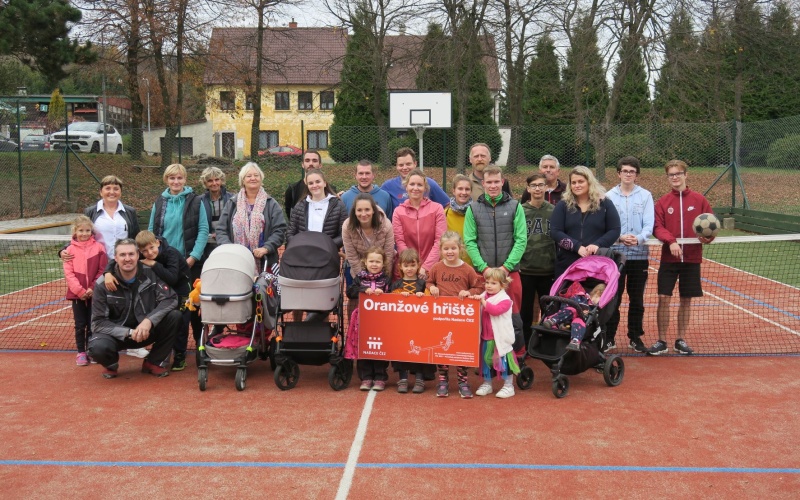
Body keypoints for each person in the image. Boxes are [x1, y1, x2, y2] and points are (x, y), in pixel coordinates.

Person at [88, 238, 182, 379]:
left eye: (131, 254)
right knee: (97, 347)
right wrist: (129, 332)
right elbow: (98, 323)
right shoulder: (102, 284)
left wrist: (148, 321)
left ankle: (154, 362)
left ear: (138, 255)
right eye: (122, 255)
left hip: (146, 331)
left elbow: (171, 298)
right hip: (117, 336)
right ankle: (111, 364)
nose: (127, 259)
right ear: (115, 258)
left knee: (175, 316)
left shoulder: (151, 274)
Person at [649, 160, 715, 355]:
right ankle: (661, 340)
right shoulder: (662, 202)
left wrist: (708, 238)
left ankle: (681, 340)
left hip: (692, 259)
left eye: (678, 173)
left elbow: (710, 225)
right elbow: (657, 227)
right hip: (669, 259)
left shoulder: (700, 200)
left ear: (686, 175)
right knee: (663, 298)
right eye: (671, 175)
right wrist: (671, 241)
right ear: (668, 177)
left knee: (686, 300)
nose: (675, 177)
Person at [148, 163, 208, 371]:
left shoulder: (195, 201)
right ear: (166, 180)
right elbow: (151, 232)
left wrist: (193, 257)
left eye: (179, 178)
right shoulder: (159, 201)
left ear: (185, 180)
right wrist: (153, 256)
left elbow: (202, 229)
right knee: (169, 309)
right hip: (165, 266)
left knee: (194, 309)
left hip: (189, 264)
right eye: (172, 178)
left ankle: (201, 349)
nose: (176, 181)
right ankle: (174, 351)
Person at [464, 165, 527, 358]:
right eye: (489, 182)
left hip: (510, 274)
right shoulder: (473, 209)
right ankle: (486, 360)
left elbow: (521, 239)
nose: (493, 186)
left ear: (502, 182)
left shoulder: (515, 206)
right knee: (483, 317)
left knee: (513, 316)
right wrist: (484, 269)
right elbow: (469, 241)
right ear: (483, 184)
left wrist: (506, 268)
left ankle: (517, 356)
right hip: (483, 275)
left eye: (496, 182)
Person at [605, 156, 654, 353]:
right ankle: (609, 338)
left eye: (632, 171)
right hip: (615, 258)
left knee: (637, 300)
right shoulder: (608, 196)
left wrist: (639, 238)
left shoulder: (646, 196)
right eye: (624, 171)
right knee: (612, 299)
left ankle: (635, 337)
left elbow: (649, 224)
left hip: (638, 257)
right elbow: (606, 225)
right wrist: (619, 238)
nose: (628, 174)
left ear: (636, 175)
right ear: (619, 173)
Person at [426, 231, 483, 399]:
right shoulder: (436, 267)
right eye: (446, 249)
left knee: (461, 349)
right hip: (441, 317)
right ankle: (443, 381)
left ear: (460, 249)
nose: (449, 252)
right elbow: (429, 281)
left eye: (453, 248)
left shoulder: (467, 269)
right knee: (442, 348)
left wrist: (468, 292)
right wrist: (432, 287)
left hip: (462, 318)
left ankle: (463, 381)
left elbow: (479, 287)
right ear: (441, 250)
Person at [551, 166, 621, 278]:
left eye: (581, 181)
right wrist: (576, 247)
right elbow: (555, 231)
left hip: (597, 265)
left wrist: (597, 244)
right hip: (567, 264)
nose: (577, 185)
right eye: (573, 182)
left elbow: (615, 230)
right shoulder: (563, 205)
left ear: (589, 182)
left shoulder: (605, 203)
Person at [217, 162, 287, 273]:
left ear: (261, 178)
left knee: (262, 290)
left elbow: (280, 230)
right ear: (243, 180)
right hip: (236, 261)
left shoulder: (271, 203)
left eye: (256, 175)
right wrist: (230, 249)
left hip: (265, 262)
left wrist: (267, 248)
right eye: (248, 176)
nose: (253, 178)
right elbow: (221, 229)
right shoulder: (232, 203)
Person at [63, 216, 108, 366]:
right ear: (75, 231)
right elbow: (69, 274)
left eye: (87, 230)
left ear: (92, 231)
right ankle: (81, 352)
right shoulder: (69, 250)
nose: (84, 233)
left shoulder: (99, 248)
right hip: (77, 295)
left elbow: (102, 270)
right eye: (81, 230)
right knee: (80, 324)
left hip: (94, 293)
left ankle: (91, 350)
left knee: (92, 323)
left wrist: (92, 288)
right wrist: (80, 291)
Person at [61, 175, 140, 260]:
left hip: (124, 262)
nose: (112, 192)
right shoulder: (90, 212)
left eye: (116, 189)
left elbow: (136, 237)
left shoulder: (130, 212)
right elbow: (80, 234)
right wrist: (64, 249)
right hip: (98, 262)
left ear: (120, 192)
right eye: (108, 188)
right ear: (101, 192)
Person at [342, 193, 395, 316]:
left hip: (381, 266)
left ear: (373, 210)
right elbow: (351, 255)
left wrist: (382, 277)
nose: (363, 214)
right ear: (354, 212)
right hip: (358, 268)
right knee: (354, 299)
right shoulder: (347, 226)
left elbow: (388, 254)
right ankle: (353, 327)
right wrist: (363, 279)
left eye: (367, 209)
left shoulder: (386, 225)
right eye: (359, 210)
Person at [345, 247, 391, 391]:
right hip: (362, 320)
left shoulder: (386, 279)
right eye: (371, 261)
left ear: (383, 264)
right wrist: (363, 290)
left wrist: (383, 293)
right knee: (364, 346)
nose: (374, 264)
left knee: (379, 347)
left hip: (381, 321)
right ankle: (366, 377)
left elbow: (392, 296)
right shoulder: (360, 277)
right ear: (365, 262)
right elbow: (350, 292)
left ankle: (380, 377)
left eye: (378, 261)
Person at [519, 172, 556, 346]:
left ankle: (548, 345)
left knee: (549, 311)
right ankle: (526, 346)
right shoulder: (520, 211)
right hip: (525, 270)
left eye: (541, 185)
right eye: (534, 185)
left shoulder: (553, 211)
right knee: (525, 312)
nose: (537, 189)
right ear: (528, 188)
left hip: (548, 270)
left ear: (546, 188)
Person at [471, 268, 519, 399]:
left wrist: (482, 302)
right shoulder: (483, 296)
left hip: (500, 338)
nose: (489, 286)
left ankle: (509, 386)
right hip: (486, 337)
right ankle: (487, 384)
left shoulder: (505, 300)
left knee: (504, 362)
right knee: (486, 362)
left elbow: (495, 310)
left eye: (493, 283)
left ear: (502, 285)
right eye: (487, 282)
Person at [392, 169, 447, 280]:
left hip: (432, 270)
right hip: (407, 270)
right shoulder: (398, 211)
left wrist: (426, 267)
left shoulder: (437, 209)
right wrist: (412, 266)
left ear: (425, 188)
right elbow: (399, 242)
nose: (415, 188)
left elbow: (439, 241)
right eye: (412, 184)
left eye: (419, 185)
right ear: (406, 187)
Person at [390, 248, 431, 393]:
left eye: (412, 265)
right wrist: (401, 295)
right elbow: (391, 301)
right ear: (400, 266)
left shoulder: (422, 284)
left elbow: (430, 300)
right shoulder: (396, 284)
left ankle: (420, 378)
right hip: (402, 326)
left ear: (418, 265)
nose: (409, 269)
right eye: (406, 266)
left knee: (419, 349)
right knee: (401, 350)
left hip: (420, 325)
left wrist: (422, 295)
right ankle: (403, 378)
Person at [287, 168, 348, 249]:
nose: (314, 185)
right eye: (311, 183)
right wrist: (300, 245)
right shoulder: (299, 206)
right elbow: (290, 233)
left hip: (328, 254)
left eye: (318, 182)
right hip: (303, 254)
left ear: (325, 183)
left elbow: (344, 234)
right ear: (307, 185)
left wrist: (327, 245)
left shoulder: (338, 205)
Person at [542, 281, 606, 351]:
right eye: (598, 296)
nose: (598, 301)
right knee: (572, 309)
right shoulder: (583, 297)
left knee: (579, 321)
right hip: (567, 315)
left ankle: (575, 341)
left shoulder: (595, 308)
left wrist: (586, 312)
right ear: (597, 292)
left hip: (580, 318)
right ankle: (553, 320)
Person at [381, 147, 450, 211]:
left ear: (415, 163)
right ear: (396, 166)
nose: (404, 168)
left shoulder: (429, 183)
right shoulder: (388, 186)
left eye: (408, 164)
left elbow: (447, 205)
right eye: (401, 165)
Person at [284, 150, 336, 220]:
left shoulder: (330, 189)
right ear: (302, 164)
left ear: (320, 165)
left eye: (314, 161)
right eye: (307, 160)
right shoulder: (292, 190)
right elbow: (290, 216)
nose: (311, 163)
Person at [444, 174, 474, 267]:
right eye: (460, 189)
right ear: (454, 191)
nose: (464, 192)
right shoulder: (445, 213)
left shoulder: (476, 212)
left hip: (471, 264)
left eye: (467, 189)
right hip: (450, 263)